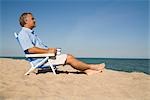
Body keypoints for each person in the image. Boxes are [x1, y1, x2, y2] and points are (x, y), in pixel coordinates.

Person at [18, 12, 105, 75]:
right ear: (26, 21)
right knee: (69, 58)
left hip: (45, 57)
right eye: (32, 18)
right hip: (42, 60)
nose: (35, 20)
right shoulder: (23, 33)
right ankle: (92, 67)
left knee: (69, 56)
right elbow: (30, 49)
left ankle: (86, 70)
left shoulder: (30, 33)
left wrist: (50, 50)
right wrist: (48, 51)